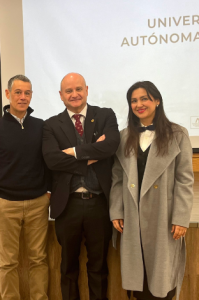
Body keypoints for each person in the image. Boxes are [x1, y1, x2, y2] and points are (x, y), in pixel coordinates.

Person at [110, 81, 194, 300]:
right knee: (138, 279)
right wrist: (116, 211)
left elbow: (185, 180)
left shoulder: (179, 134)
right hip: (132, 215)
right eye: (134, 100)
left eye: (144, 98)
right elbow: (117, 178)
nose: (139, 104)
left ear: (157, 100)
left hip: (163, 217)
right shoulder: (124, 136)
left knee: (162, 280)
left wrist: (181, 217)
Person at [42, 73, 120, 300]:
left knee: (98, 266)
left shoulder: (105, 115)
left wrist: (76, 152)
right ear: (61, 96)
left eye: (78, 89)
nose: (74, 94)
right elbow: (52, 160)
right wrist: (93, 155)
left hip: (99, 204)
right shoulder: (50, 125)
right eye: (68, 91)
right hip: (68, 205)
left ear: (86, 90)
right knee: (68, 267)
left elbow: (111, 146)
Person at [0, 74, 51, 300]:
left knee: (39, 259)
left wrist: (48, 192)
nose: (22, 97)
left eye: (27, 93)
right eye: (18, 92)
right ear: (8, 94)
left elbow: (50, 162)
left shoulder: (41, 127)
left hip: (38, 204)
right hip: (6, 205)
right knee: (8, 262)